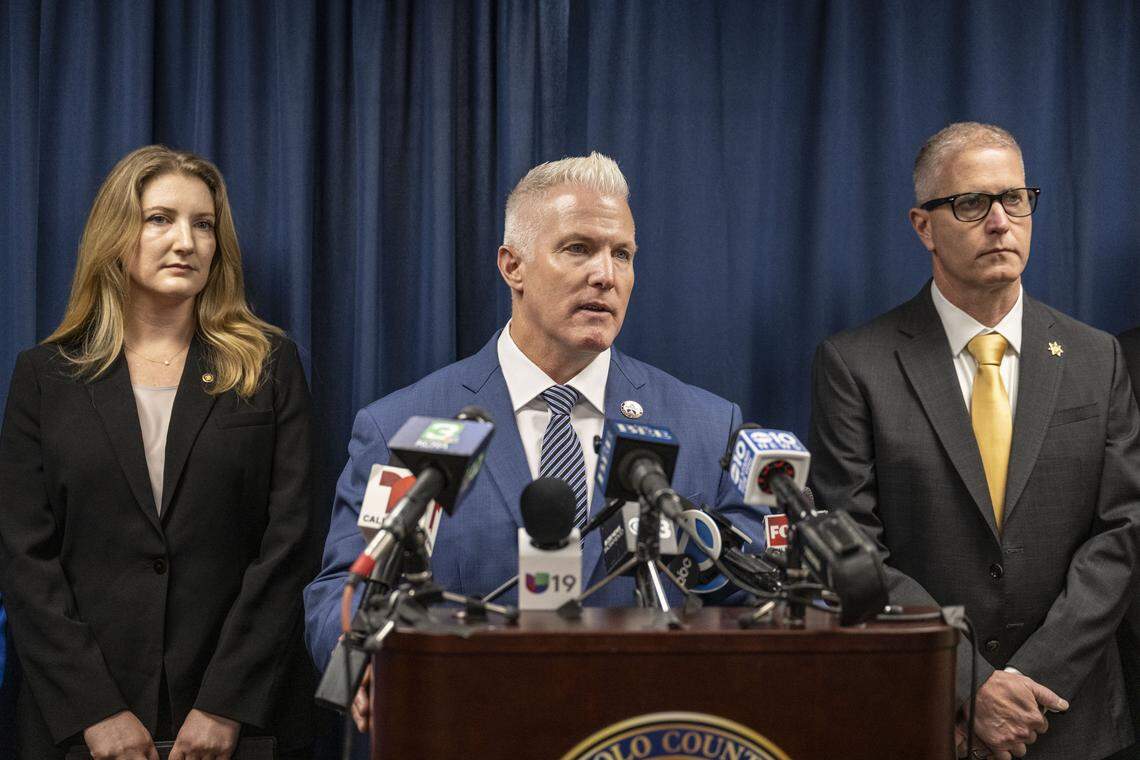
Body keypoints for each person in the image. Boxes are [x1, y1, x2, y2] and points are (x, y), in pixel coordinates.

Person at [304, 152, 764, 736]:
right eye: (578, 249)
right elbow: (342, 590)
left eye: (622, 254)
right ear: (512, 266)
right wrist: (361, 657)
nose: (607, 275)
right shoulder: (403, 428)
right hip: (471, 731)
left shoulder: (705, 425)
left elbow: (757, 600)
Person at [809, 122, 1140, 760]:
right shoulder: (855, 365)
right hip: (924, 714)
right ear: (923, 225)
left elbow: (1122, 533)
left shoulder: (1098, 358)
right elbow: (850, 550)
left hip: (1070, 721)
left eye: (1015, 199)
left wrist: (1030, 682)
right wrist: (970, 684)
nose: (999, 221)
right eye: (970, 203)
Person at [0, 146, 317, 760]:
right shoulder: (44, 376)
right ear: (116, 234)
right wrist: (96, 711)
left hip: (240, 721)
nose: (186, 242)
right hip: (79, 726)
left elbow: (290, 544)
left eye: (203, 225)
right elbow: (23, 559)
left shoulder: (270, 366)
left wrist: (225, 703)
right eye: (159, 219)